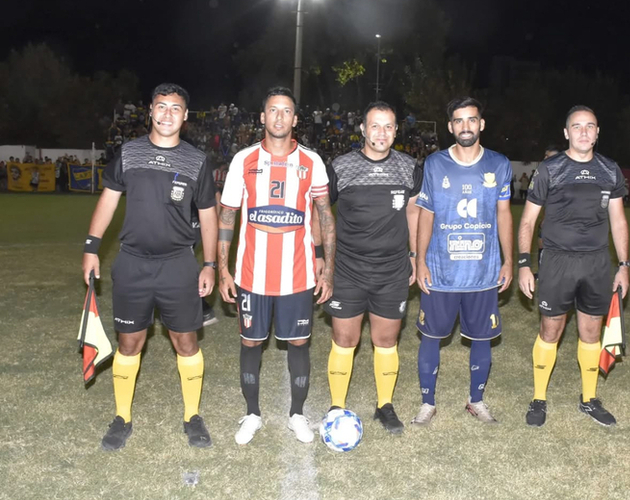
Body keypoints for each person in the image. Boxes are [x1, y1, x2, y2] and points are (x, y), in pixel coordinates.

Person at [81, 83, 218, 451]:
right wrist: (91, 248)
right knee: (130, 343)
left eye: (176, 108)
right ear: (150, 111)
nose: (168, 114)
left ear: (186, 117)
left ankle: (192, 416)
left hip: (178, 265)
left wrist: (209, 264)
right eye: (162, 107)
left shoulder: (197, 161)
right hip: (133, 264)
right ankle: (122, 418)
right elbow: (108, 202)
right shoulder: (129, 153)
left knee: (186, 342)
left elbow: (208, 215)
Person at [217, 87, 335, 445]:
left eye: (286, 111)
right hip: (251, 274)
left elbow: (325, 216)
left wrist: (327, 267)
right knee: (251, 344)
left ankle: (297, 415)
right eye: (273, 111)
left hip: (297, 274)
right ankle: (252, 414)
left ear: (296, 119)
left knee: (299, 341)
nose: (279, 117)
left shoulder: (311, 161)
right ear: (262, 117)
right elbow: (227, 215)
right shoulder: (243, 160)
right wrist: (223, 269)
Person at [517, 105, 629, 428]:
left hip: (596, 263)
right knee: (550, 330)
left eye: (589, 126)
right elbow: (527, 221)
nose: (583, 132)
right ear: (566, 133)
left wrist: (623, 264)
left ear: (597, 132)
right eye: (576, 127)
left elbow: (618, 220)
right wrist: (525, 264)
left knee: (591, 332)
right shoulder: (550, 169)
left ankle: (589, 399)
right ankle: (539, 398)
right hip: (556, 261)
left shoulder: (610, 170)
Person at [412, 96, 513, 426]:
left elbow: (503, 215)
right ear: (450, 126)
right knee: (431, 336)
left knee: (482, 337)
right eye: (459, 121)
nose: (465, 126)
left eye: (471, 120)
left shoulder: (499, 164)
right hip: (441, 271)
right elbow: (426, 215)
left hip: (482, 271)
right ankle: (428, 403)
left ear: (481, 124)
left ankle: (477, 400)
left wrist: (509, 260)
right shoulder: (435, 164)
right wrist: (420, 261)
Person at [323, 101, 422, 434]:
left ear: (396, 130)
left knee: (386, 340)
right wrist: (321, 257)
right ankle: (337, 406)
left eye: (389, 126)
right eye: (375, 126)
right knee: (344, 339)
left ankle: (385, 405)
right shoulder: (341, 166)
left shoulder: (409, 167)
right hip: (348, 269)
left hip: (392, 270)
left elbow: (413, 214)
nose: (382, 132)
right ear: (363, 129)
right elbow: (320, 213)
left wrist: (413, 256)